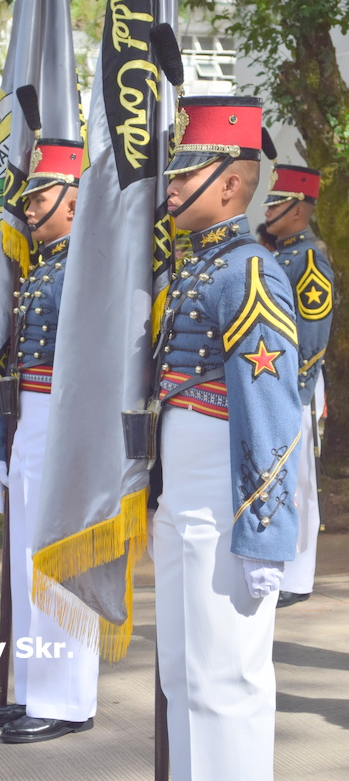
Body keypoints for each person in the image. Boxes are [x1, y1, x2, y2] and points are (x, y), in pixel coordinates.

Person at [152, 96, 302, 781]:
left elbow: (270, 410)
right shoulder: (197, 265)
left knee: (227, 681)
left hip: (226, 496)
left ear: (232, 184)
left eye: (186, 173)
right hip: (184, 500)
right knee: (183, 676)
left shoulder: (246, 270)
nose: (172, 186)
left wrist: (265, 531)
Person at [0, 133, 100, 744]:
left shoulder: (85, 266)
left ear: (75, 201)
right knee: (29, 560)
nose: (26, 209)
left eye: (39, 196)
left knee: (57, 564)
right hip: (31, 421)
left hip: (63, 422)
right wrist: (4, 445)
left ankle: (67, 699)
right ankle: (32, 687)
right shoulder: (45, 267)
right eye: (26, 198)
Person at [264, 164, 334, 608]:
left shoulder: (307, 259)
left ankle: (299, 575)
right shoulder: (279, 253)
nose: (268, 209)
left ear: (300, 208)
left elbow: (313, 330)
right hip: (279, 378)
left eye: (277, 202)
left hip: (297, 380)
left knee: (300, 480)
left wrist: (297, 387)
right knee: (284, 476)